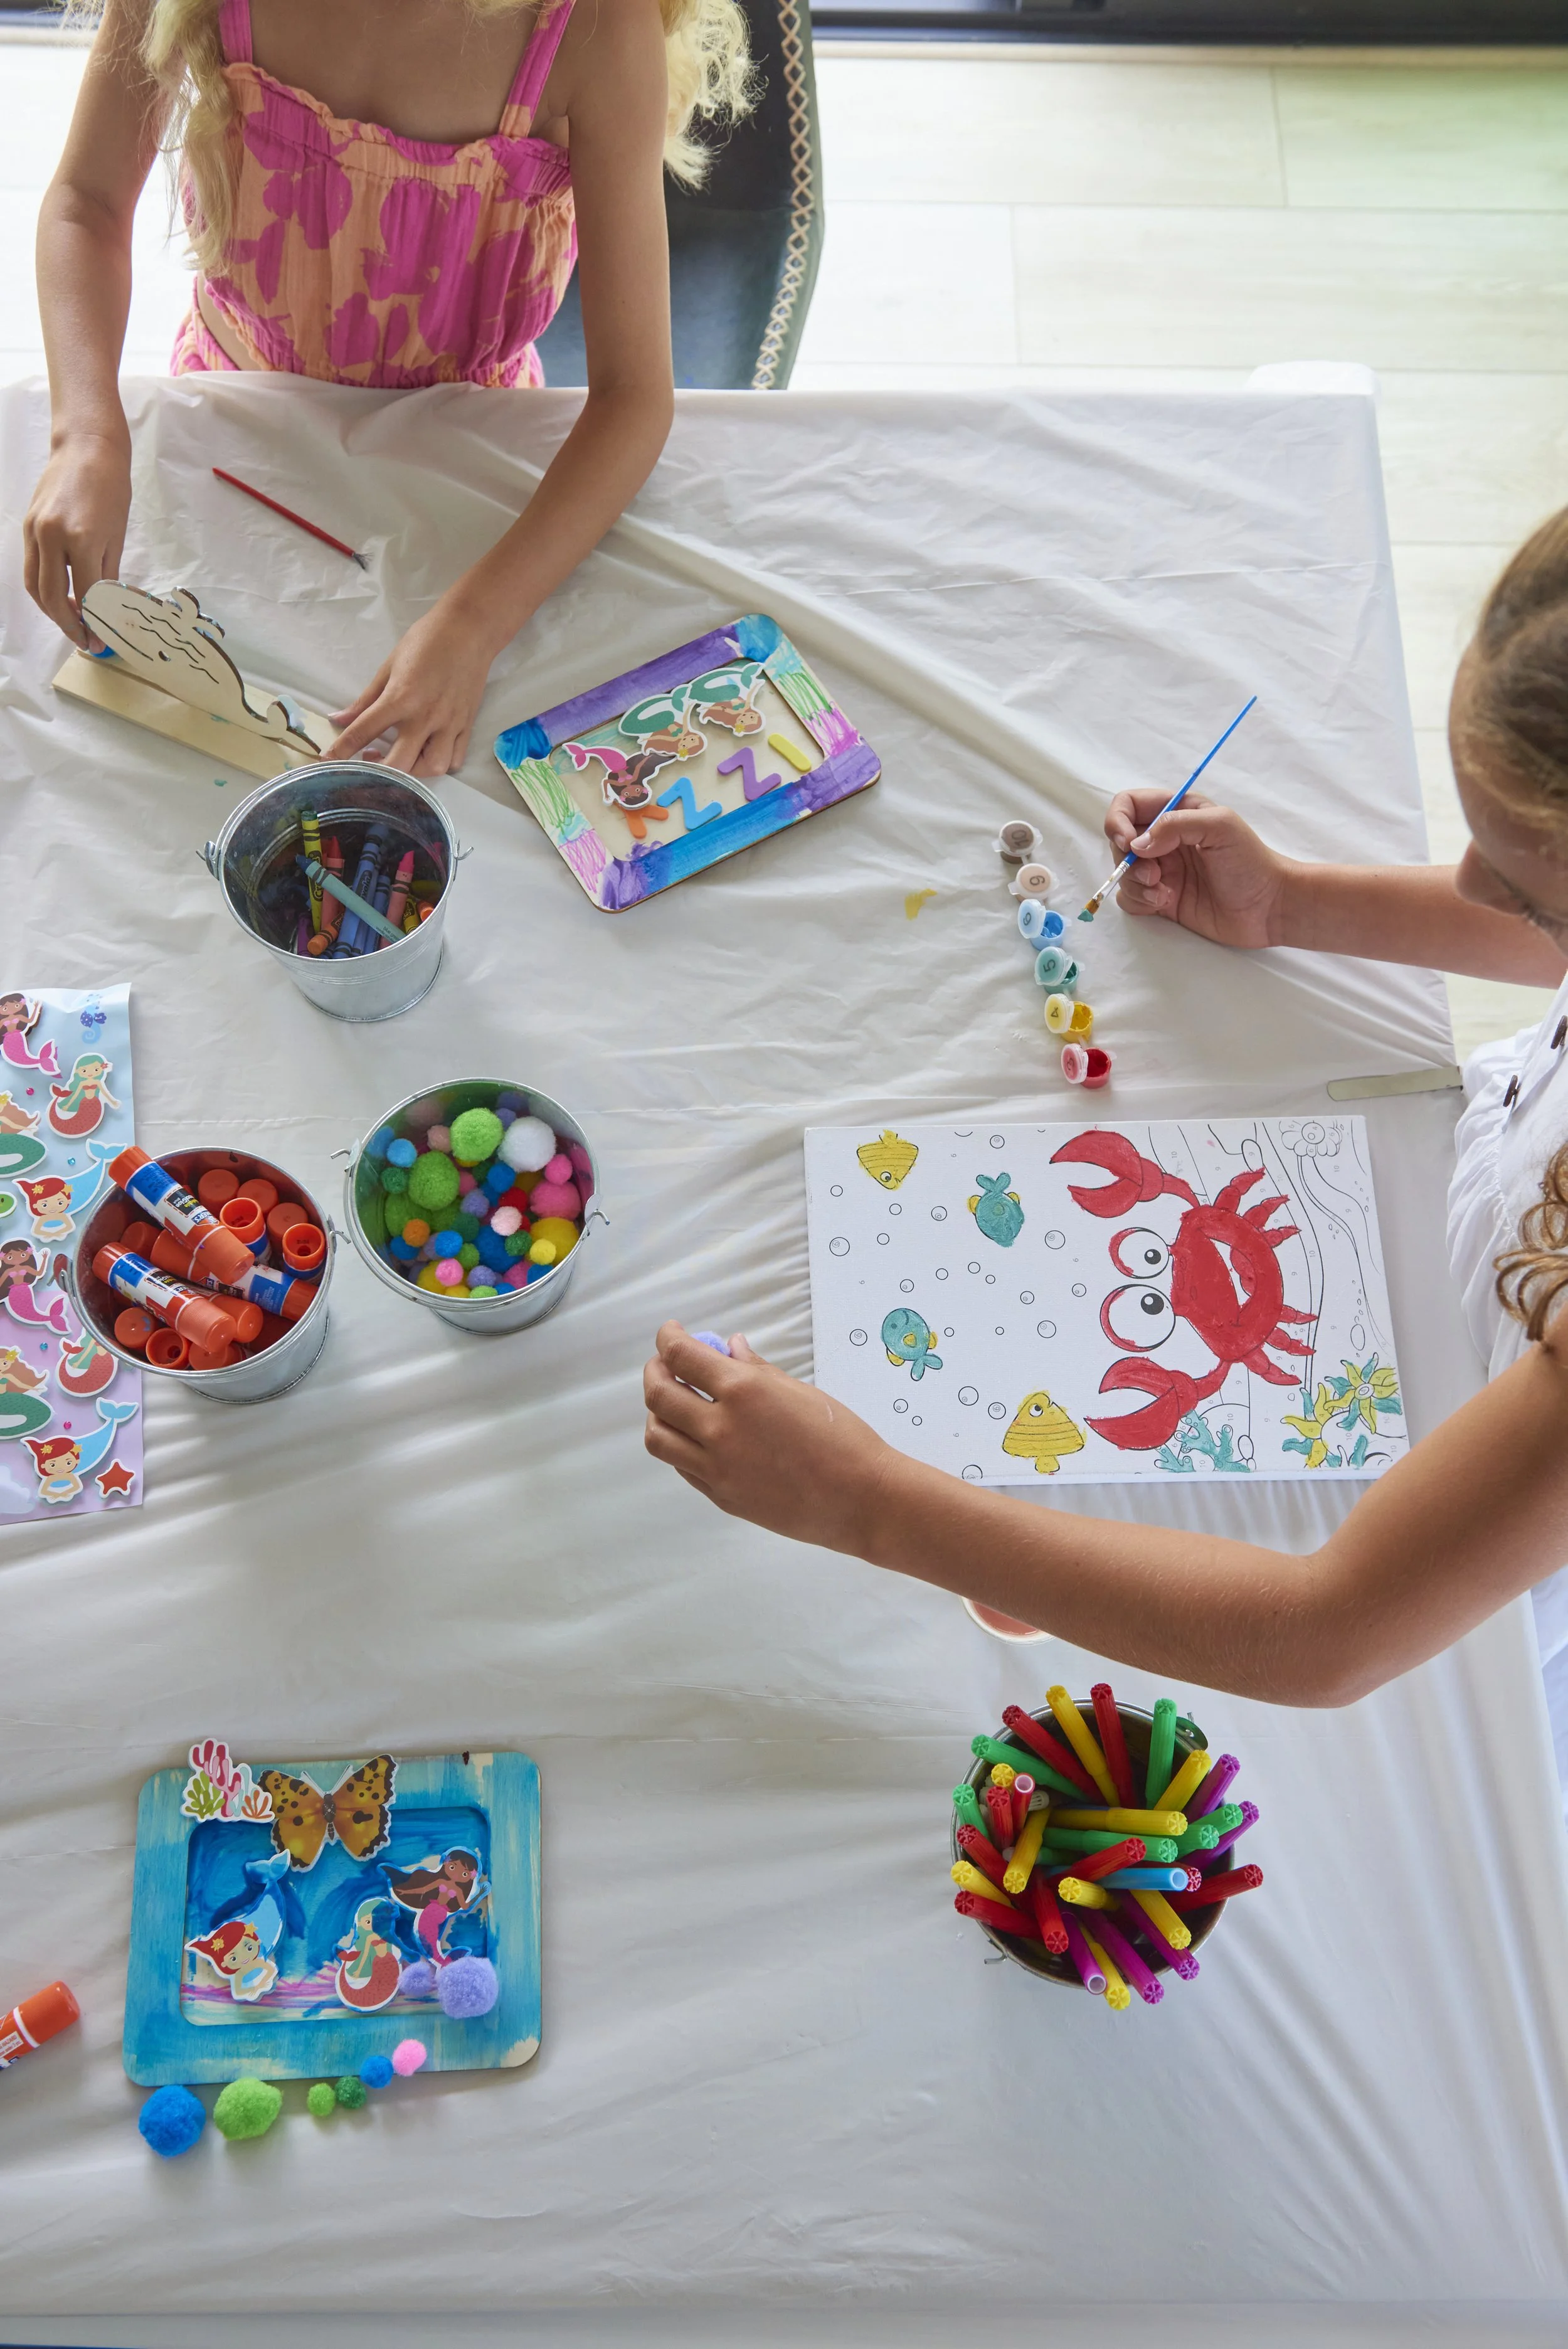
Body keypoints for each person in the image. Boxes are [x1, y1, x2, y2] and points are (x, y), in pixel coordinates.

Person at [644, 509, 1568, 1709]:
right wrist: (1291, 903)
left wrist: (866, 1499)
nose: (1463, 884)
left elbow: (1324, 1632)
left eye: (1531, 893)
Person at [24, 0, 751, 778]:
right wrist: (88, 434)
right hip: (235, 442)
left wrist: (472, 628)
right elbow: (87, 204)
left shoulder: (596, 26)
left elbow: (632, 396)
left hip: (465, 488)